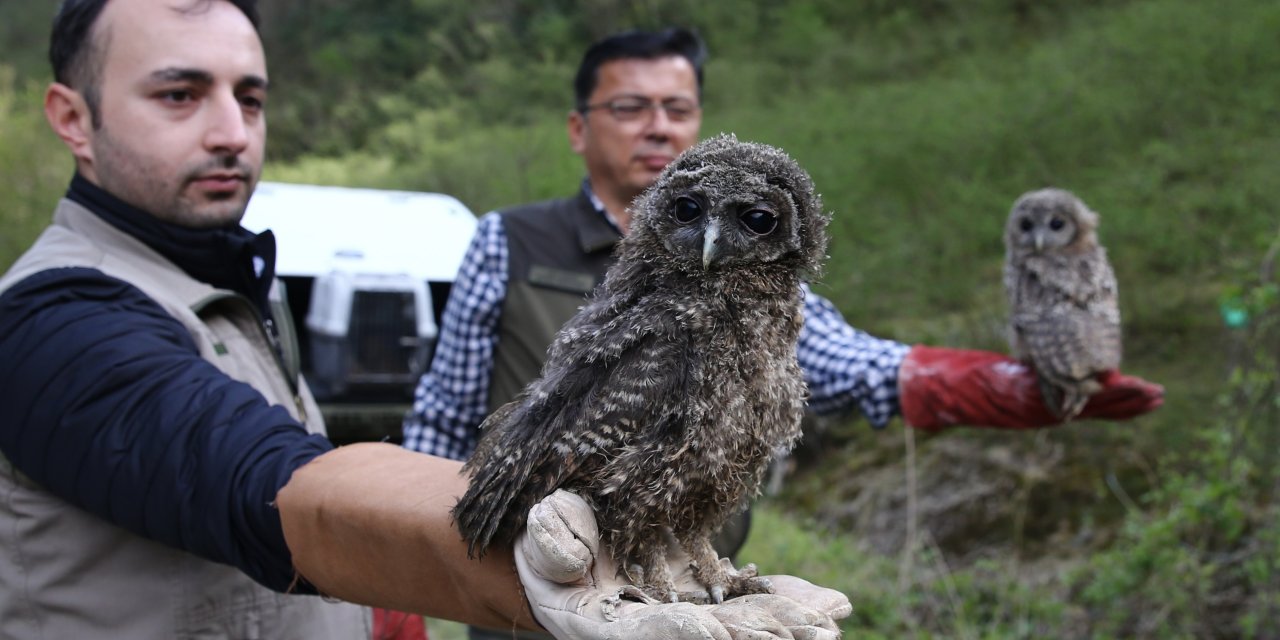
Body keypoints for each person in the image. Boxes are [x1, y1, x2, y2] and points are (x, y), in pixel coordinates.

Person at [0, 3, 852, 639]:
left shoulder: (219, 276)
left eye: (250, 98)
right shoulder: (53, 318)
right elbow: (245, 471)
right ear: (73, 117)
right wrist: (476, 556)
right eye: (179, 95)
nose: (230, 131)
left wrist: (377, 607)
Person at [402, 27, 1163, 638]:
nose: (658, 125)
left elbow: (848, 361)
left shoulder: (773, 292)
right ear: (579, 127)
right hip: (528, 573)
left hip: (686, 600)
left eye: (677, 108)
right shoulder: (509, 239)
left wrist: (991, 387)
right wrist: (410, 564)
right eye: (631, 107)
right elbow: (442, 413)